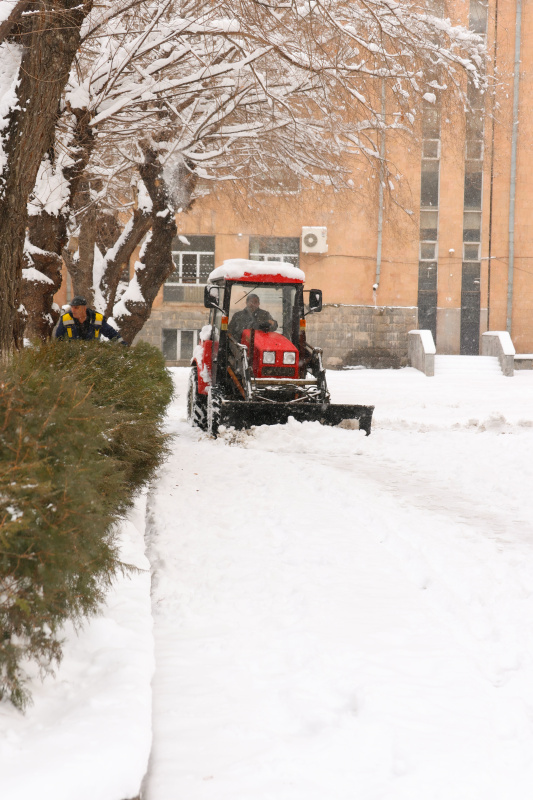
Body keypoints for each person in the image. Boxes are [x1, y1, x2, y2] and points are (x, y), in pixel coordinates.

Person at [55, 297, 126, 343]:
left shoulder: (97, 318)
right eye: (72, 307)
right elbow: (58, 339)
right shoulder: (65, 319)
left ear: (84, 308)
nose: (73, 310)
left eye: (76, 308)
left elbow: (112, 334)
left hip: (92, 357)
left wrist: (124, 347)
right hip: (72, 357)